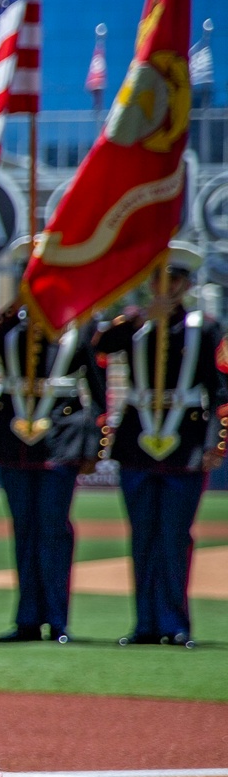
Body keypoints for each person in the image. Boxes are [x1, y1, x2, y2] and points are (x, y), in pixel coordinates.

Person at [92, 241, 227, 647]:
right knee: (142, 536)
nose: (165, 287)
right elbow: (99, 346)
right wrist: (137, 319)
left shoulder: (204, 328)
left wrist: (215, 442)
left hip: (184, 442)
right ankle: (146, 623)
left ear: (186, 284)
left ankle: (175, 622)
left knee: (174, 536)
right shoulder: (135, 325)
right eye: (159, 279)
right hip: (137, 442)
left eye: (174, 279)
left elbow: (220, 389)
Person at [0, 238, 107, 643]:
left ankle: (58, 619)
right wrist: (14, 304)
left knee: (53, 529)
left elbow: (99, 391)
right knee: (23, 529)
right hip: (15, 441)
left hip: (62, 438)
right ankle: (28, 618)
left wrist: (94, 446)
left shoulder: (79, 323)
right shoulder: (10, 324)